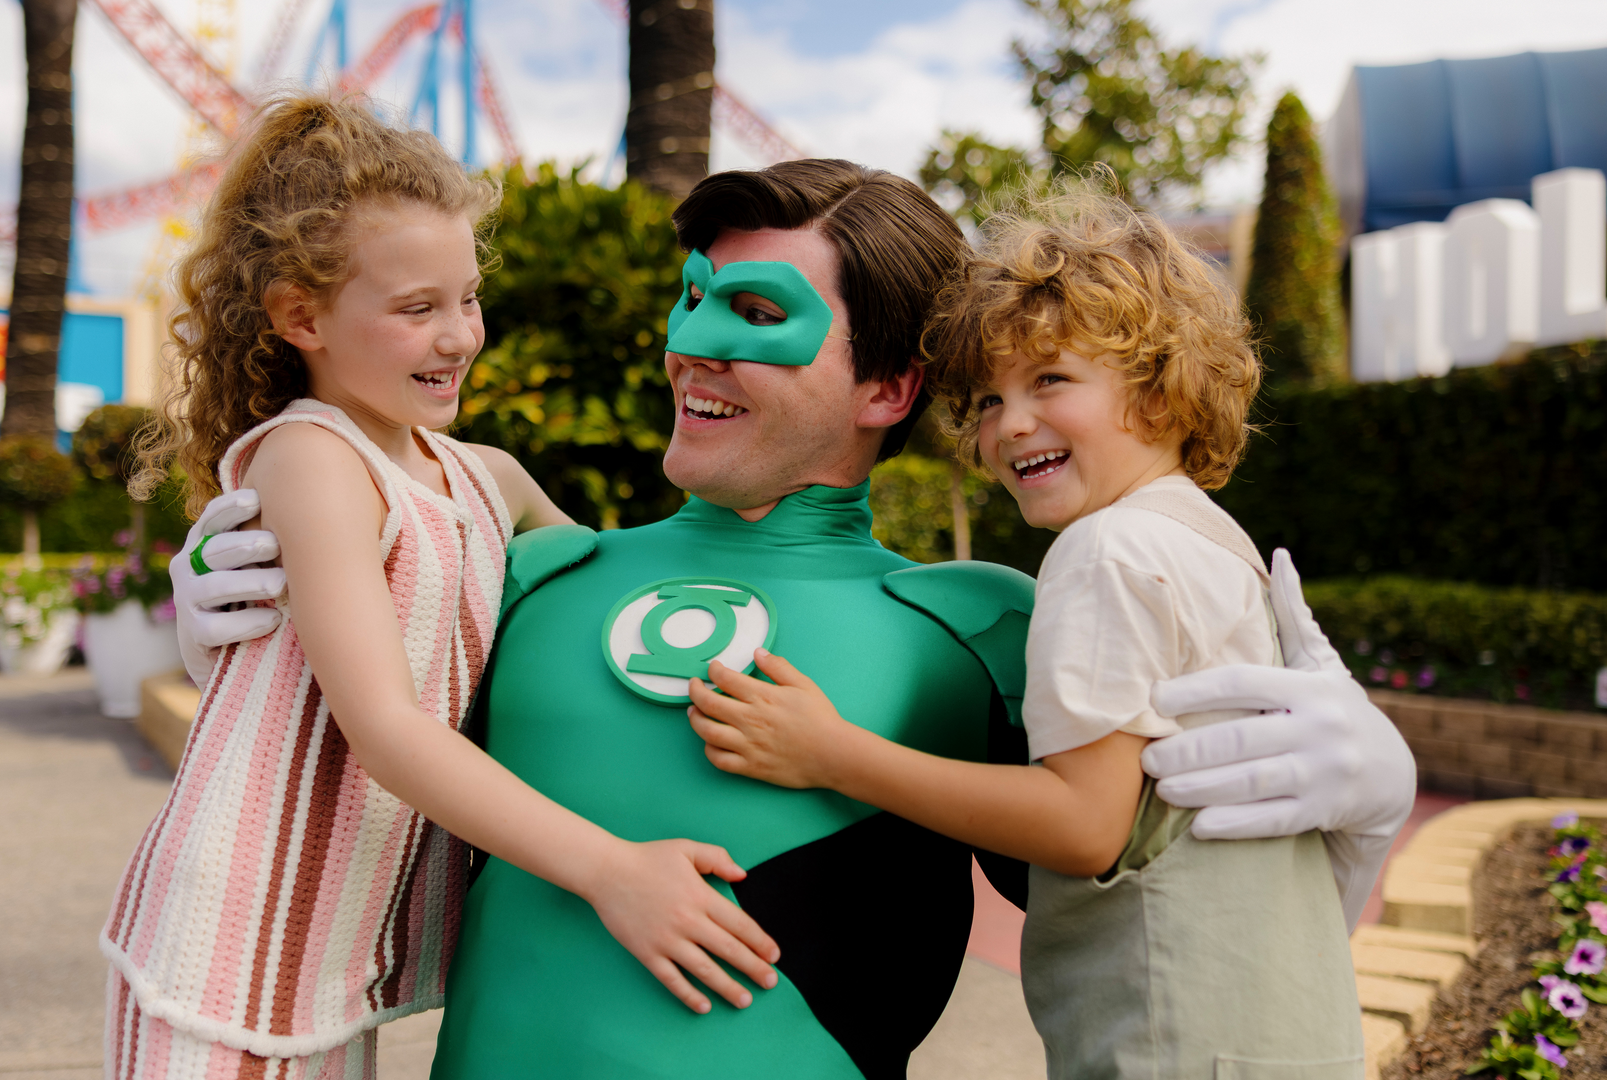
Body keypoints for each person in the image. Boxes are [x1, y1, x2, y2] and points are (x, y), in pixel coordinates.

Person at [170, 160, 1415, 1079]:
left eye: (758, 316)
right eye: (694, 299)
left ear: (889, 387)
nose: (691, 348)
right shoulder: (529, 565)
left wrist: (1366, 799)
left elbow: (1146, 893)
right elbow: (383, 627)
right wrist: (253, 601)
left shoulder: (986, 623)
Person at [101, 95, 781, 1080]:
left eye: (467, 298)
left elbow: (619, 592)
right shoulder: (311, 457)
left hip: (325, 965)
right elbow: (384, 728)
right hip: (224, 958)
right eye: (417, 309)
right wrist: (612, 870)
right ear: (302, 317)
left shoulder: (481, 477)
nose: (459, 335)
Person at [690, 189, 1368, 1078]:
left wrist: (833, 754)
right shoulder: (1209, 538)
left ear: (1161, 391)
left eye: (1050, 380)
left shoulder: (1106, 551)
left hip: (1170, 1040)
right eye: (985, 399)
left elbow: (1086, 824)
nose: (1009, 424)